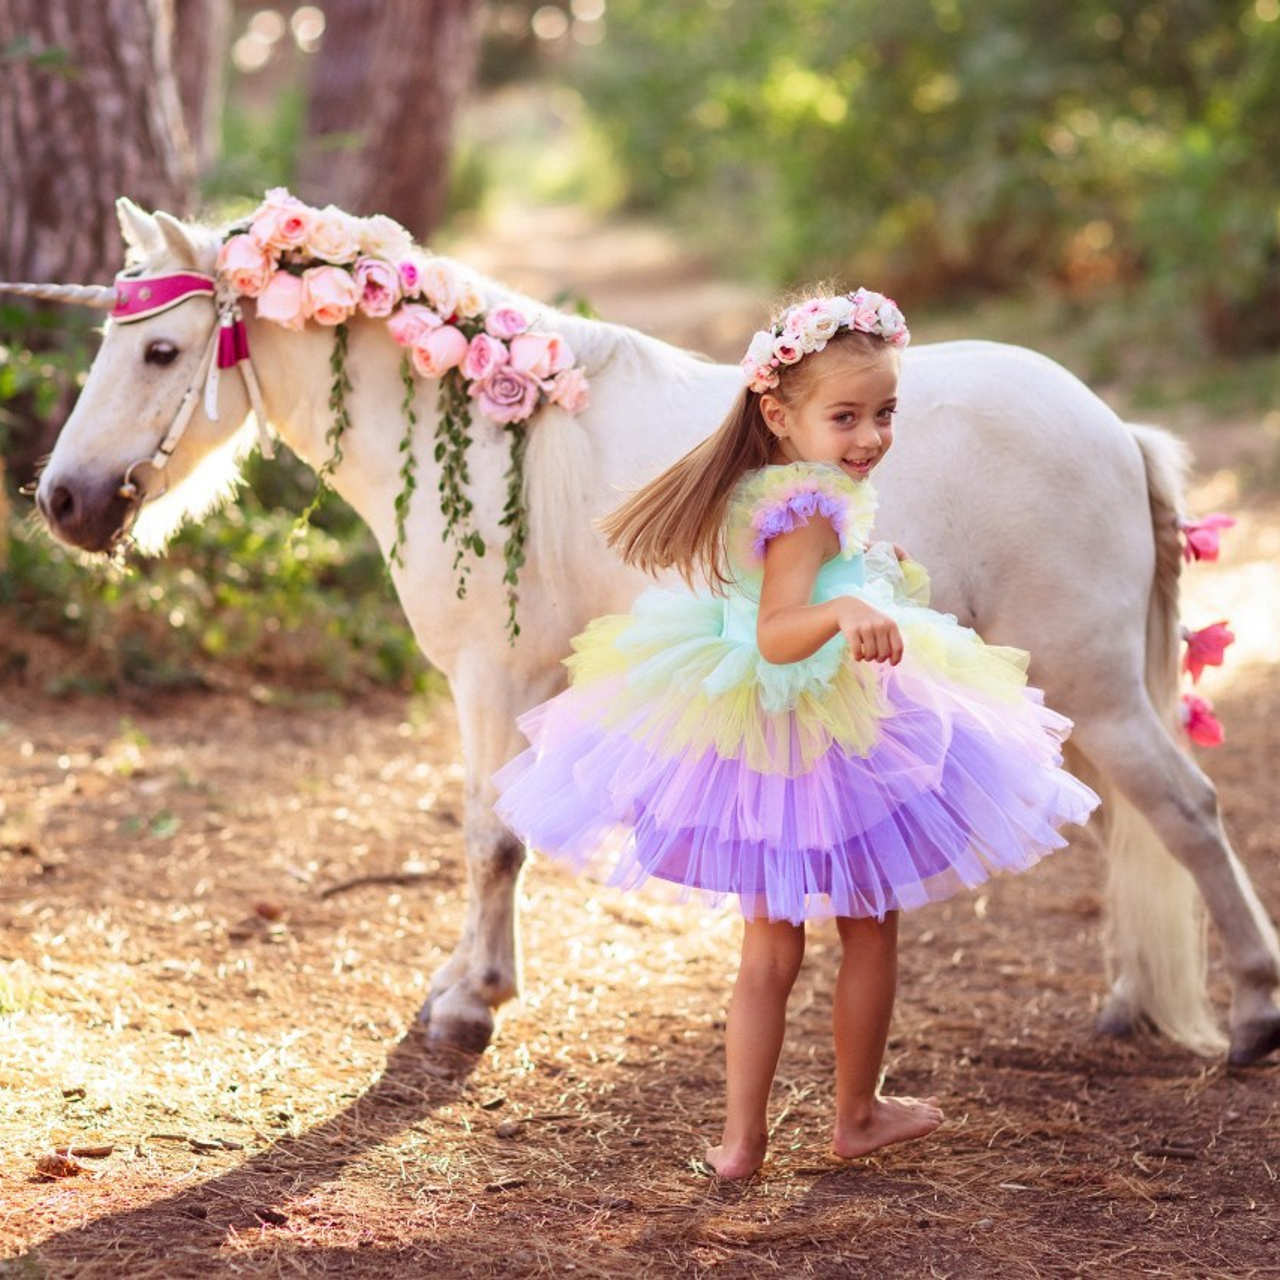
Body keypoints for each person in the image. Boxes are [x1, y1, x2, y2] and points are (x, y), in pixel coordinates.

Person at [493, 287, 1100, 1179]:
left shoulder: (779, 487)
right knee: (869, 926)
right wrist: (845, 608)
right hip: (819, 730)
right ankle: (857, 1114)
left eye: (885, 413)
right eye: (845, 416)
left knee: (770, 950)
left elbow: (787, 592)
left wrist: (871, 574)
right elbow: (780, 633)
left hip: (767, 738)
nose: (870, 436)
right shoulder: (810, 502)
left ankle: (743, 1143)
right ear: (779, 414)